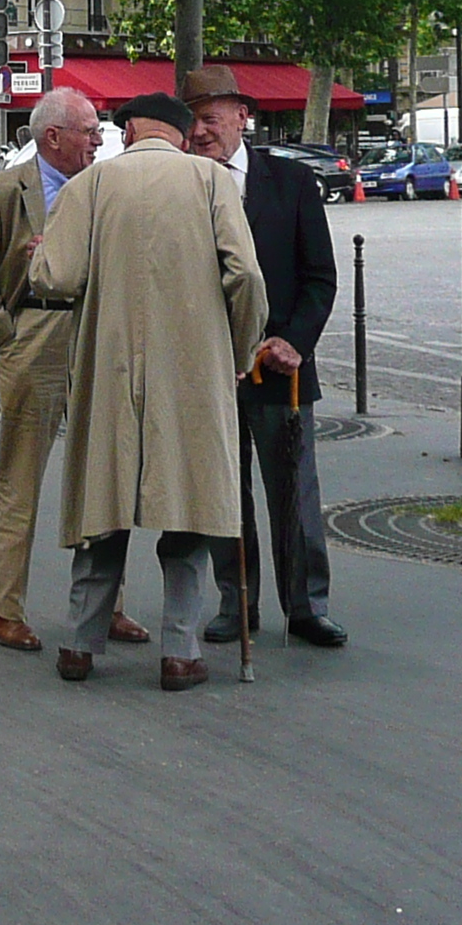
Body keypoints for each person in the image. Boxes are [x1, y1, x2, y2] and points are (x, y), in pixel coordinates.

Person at [28, 92, 285, 692]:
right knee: (188, 507)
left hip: (109, 367)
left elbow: (56, 277)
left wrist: (38, 260)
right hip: (191, 369)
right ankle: (179, 650)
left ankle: (78, 644)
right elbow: (245, 275)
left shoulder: (90, 186)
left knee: (103, 506)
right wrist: (242, 347)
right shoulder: (209, 181)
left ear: (129, 129)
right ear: (175, 131)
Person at [0, 87, 146, 655]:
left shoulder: (106, 187)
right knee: (21, 480)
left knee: (104, 472)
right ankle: (3, 607)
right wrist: (8, 338)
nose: (99, 139)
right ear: (53, 136)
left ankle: (103, 606)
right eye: (88, 130)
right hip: (32, 337)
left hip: (94, 334)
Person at [180, 68, 345, 651]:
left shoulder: (293, 182)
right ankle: (236, 602)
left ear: (242, 116)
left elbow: (320, 278)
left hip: (280, 368)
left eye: (210, 120)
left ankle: (306, 606)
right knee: (225, 495)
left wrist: (295, 342)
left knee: (294, 492)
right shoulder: (184, 186)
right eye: (193, 121)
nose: (200, 133)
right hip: (212, 368)